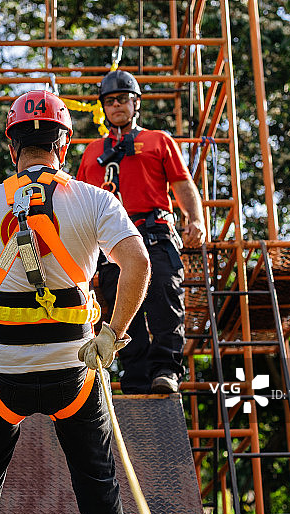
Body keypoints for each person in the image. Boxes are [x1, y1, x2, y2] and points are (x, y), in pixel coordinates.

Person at [0, 90, 150, 514]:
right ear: (64, 146)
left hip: (1, 372)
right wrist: (113, 333)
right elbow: (138, 263)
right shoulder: (96, 200)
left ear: (11, 146)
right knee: (98, 483)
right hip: (74, 370)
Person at [77, 70, 207, 394]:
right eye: (110, 101)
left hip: (155, 231)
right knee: (121, 310)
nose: (116, 105)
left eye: (122, 99)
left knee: (165, 299)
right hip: (111, 242)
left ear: (136, 103)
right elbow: (77, 201)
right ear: (103, 108)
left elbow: (182, 183)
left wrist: (196, 219)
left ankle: (166, 370)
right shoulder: (92, 152)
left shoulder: (158, 140)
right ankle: (134, 379)